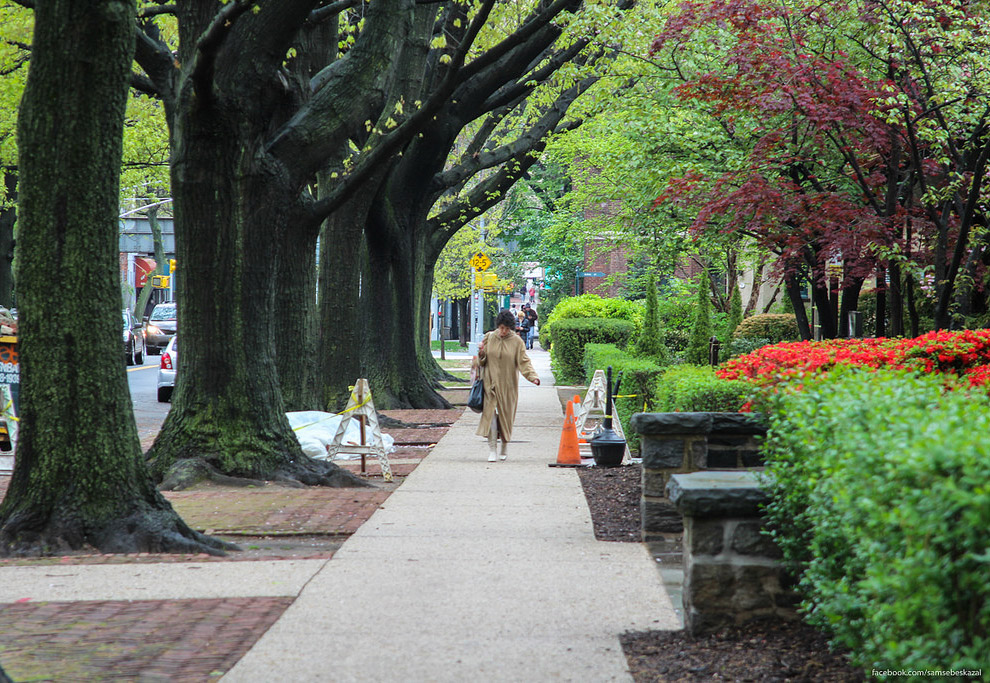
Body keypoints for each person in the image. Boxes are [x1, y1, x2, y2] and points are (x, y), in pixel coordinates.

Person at [475, 309, 541, 462]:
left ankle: (504, 445)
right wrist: (481, 353)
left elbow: (524, 361)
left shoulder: (517, 342)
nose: (503, 331)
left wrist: (532, 377)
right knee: (490, 416)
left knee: (505, 418)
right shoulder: (490, 337)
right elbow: (482, 362)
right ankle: (492, 449)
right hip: (489, 384)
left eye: (506, 328)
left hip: (508, 386)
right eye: (501, 327)